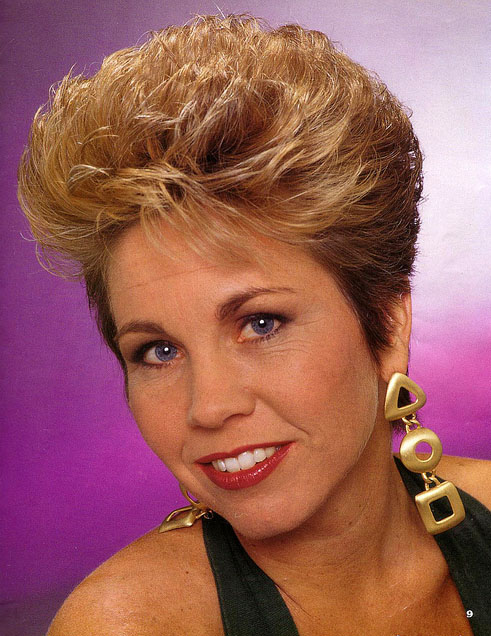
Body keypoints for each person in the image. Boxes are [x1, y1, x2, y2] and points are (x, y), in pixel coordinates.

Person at [18, 14, 491, 636]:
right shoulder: (127, 624)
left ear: (387, 323)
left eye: (261, 323)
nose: (209, 408)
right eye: (158, 351)